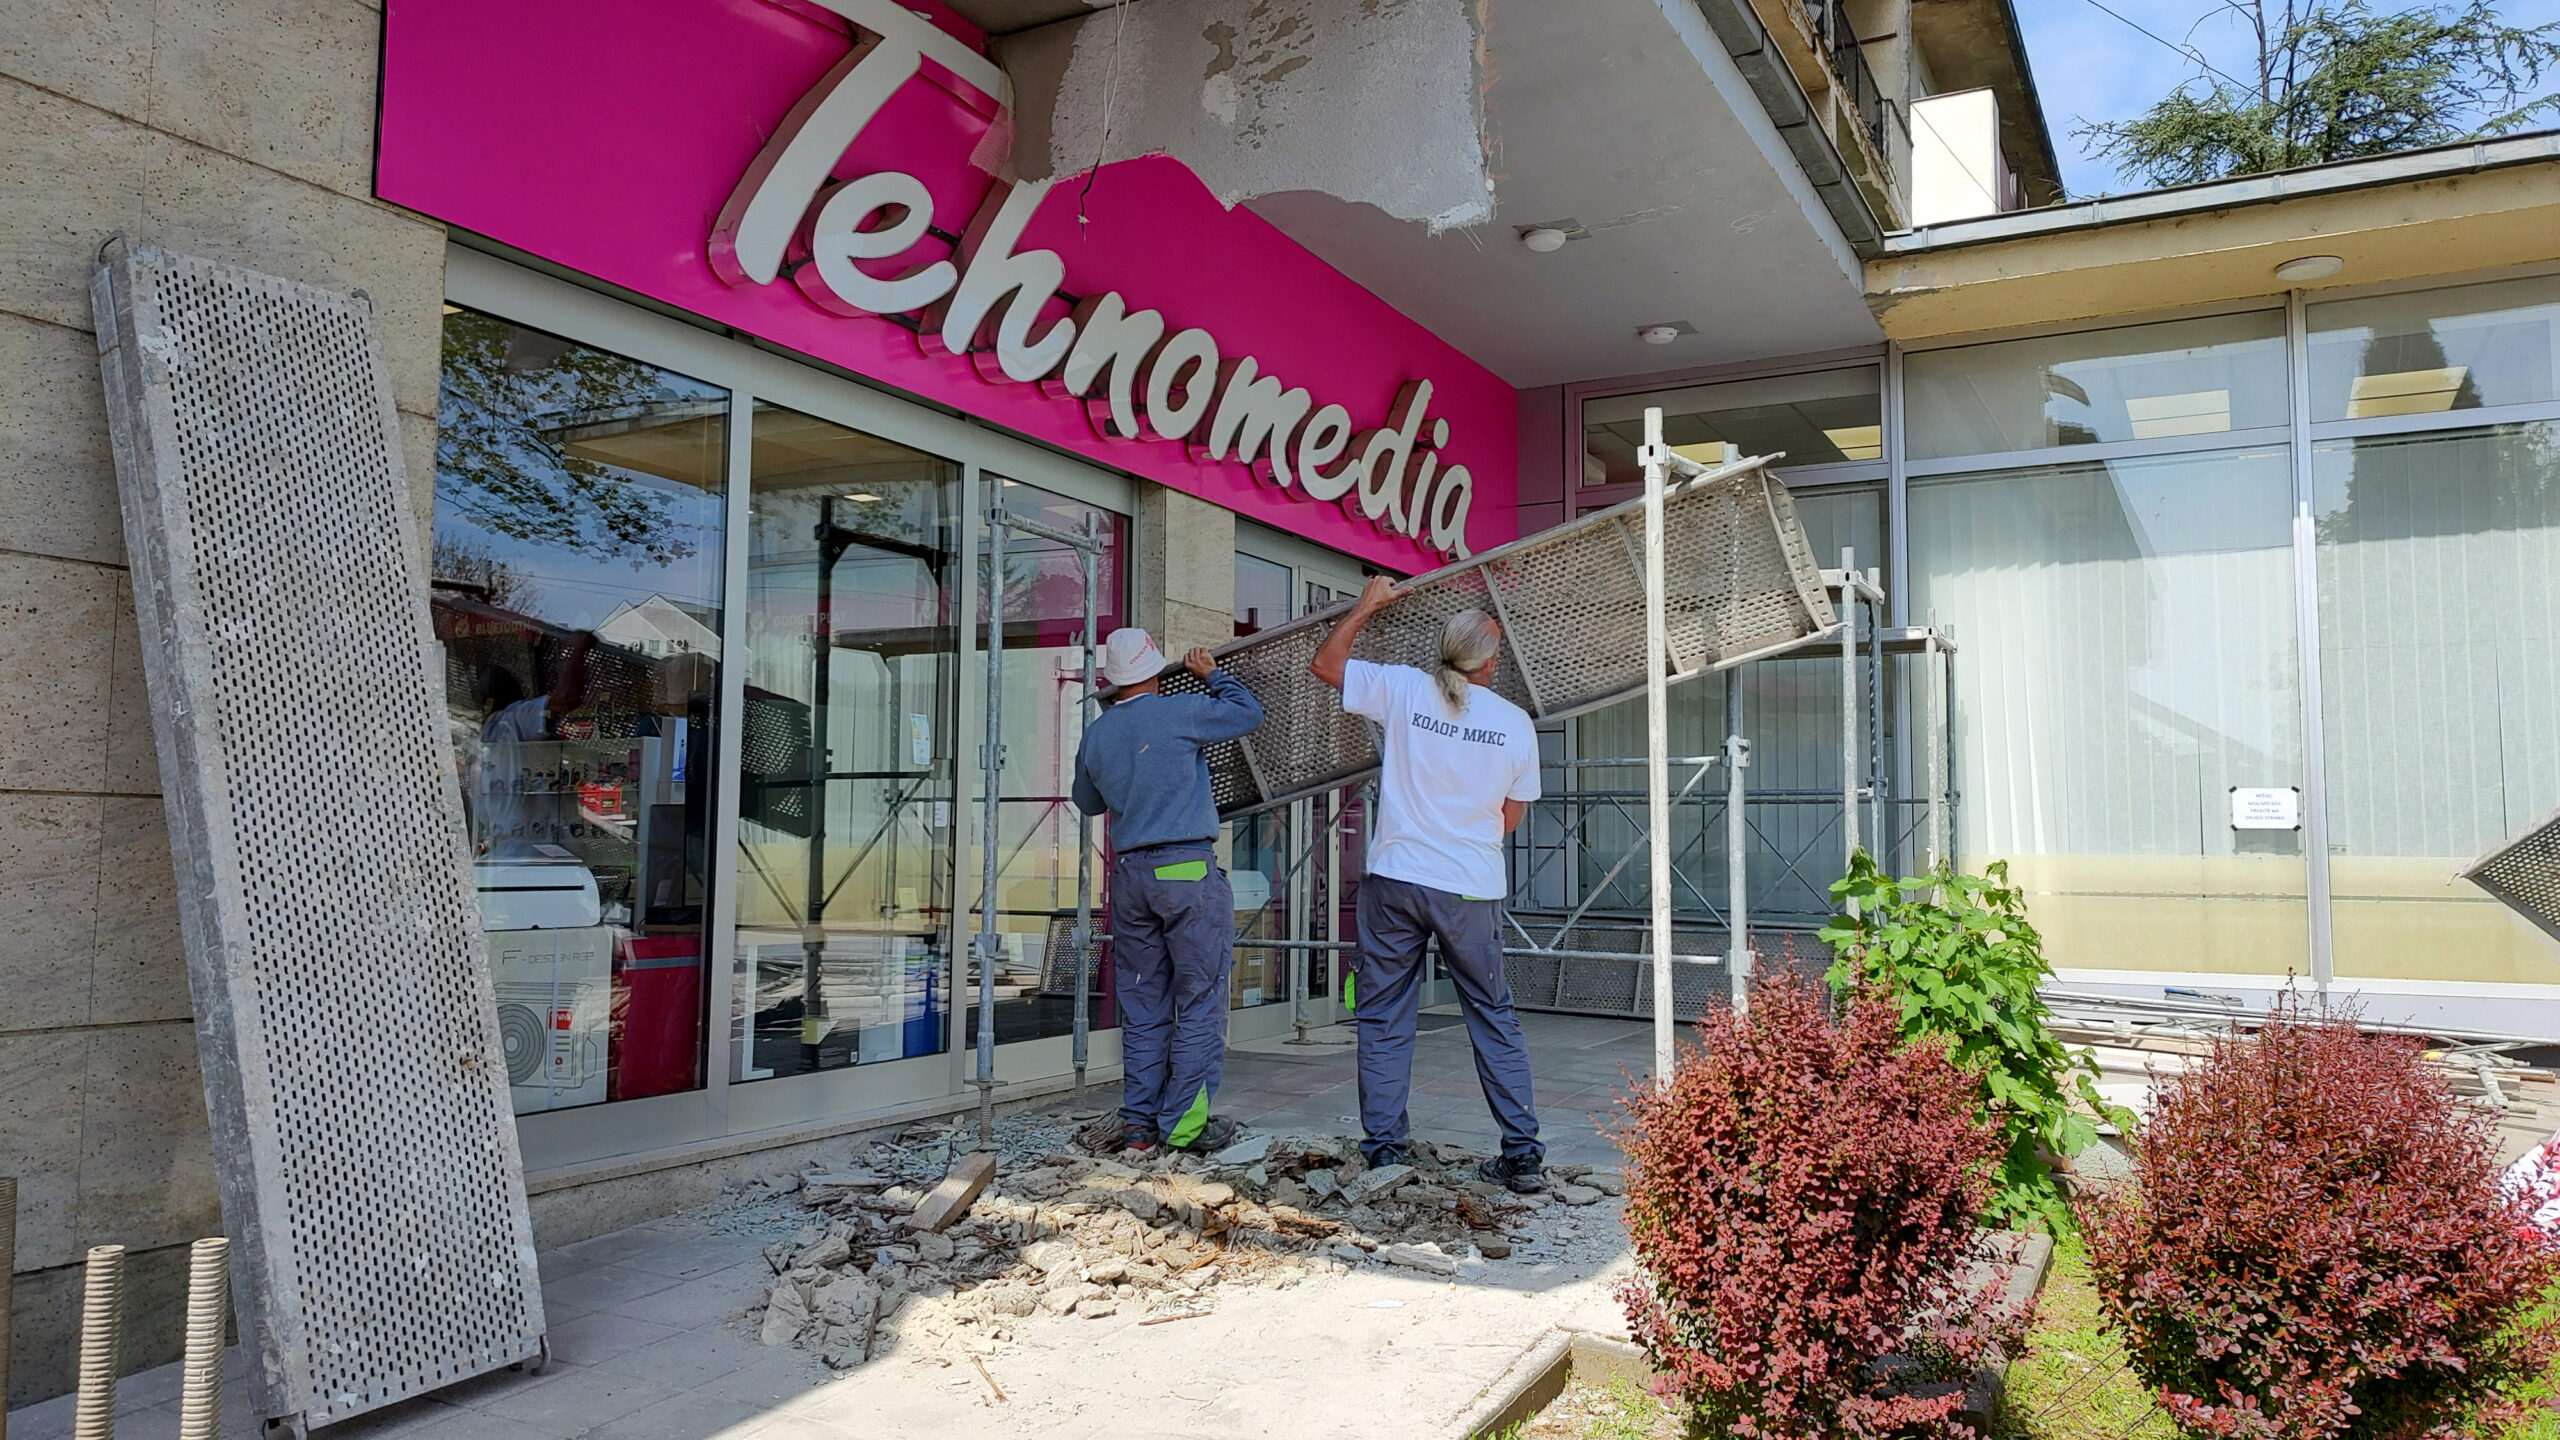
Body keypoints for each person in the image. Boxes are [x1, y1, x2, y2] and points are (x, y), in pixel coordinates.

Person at [1311, 577, 1547, 1192]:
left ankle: (1385, 1152)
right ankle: (1522, 1156)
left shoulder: (1404, 688)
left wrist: (1366, 606)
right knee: (1492, 1015)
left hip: (1396, 880)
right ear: (1489, 663)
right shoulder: (1514, 723)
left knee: (1385, 1015)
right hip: (1469, 888)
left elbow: (1326, 664)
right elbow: (1510, 818)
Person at [1072, 627, 1265, 1154]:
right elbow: (1248, 713)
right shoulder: (1181, 711)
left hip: (1131, 877)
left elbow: (1087, 803)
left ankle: (1139, 1123)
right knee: (1199, 999)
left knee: (1143, 1002)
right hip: (1185, 872)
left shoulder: (1097, 734)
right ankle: (1182, 1126)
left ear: (1114, 681)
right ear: (1157, 670)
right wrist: (1213, 675)